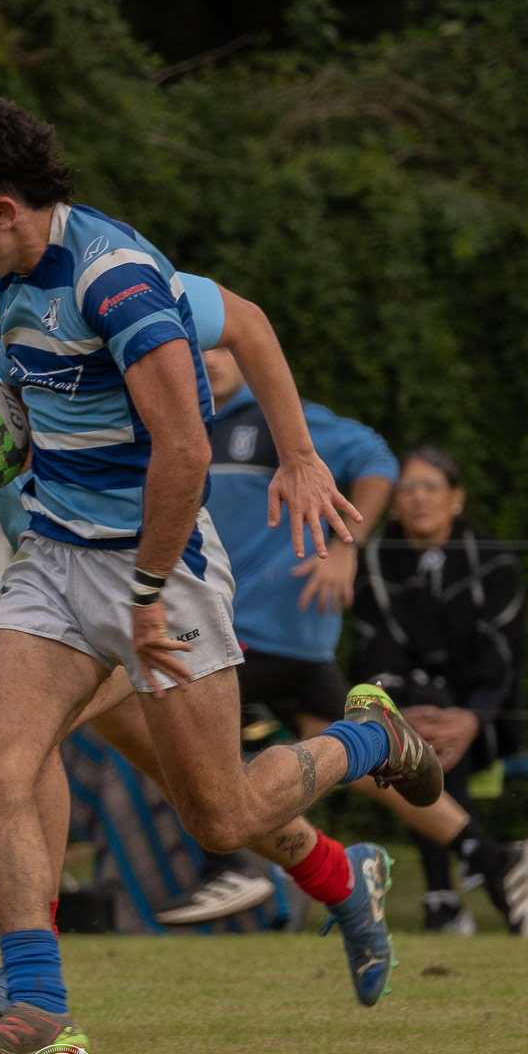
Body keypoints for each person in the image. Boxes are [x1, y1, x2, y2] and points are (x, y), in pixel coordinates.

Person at [0, 97, 442, 1054]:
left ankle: (369, 737)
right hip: (55, 559)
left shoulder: (119, 282)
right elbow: (25, 418)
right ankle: (36, 998)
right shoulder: (3, 285)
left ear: (6, 210)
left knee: (219, 814)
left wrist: (154, 584)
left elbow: (183, 447)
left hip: (162, 570)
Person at [163, 344, 396, 923]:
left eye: (221, 345)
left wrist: (347, 547)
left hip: (269, 631)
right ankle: (490, 856)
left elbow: (376, 459)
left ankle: (228, 870)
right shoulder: (177, 422)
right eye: (197, 348)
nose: (210, 358)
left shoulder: (279, 421)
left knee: (186, 721)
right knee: (338, 749)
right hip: (229, 628)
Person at [348, 446, 528, 937]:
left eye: (431, 487)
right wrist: (408, 708)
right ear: (392, 505)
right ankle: (485, 865)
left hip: (485, 715)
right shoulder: (373, 564)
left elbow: (502, 653)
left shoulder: (493, 562)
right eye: (407, 489)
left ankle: (444, 897)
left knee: (438, 736)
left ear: (456, 499)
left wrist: (473, 715)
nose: (418, 499)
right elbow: (376, 651)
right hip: (405, 710)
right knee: (423, 734)